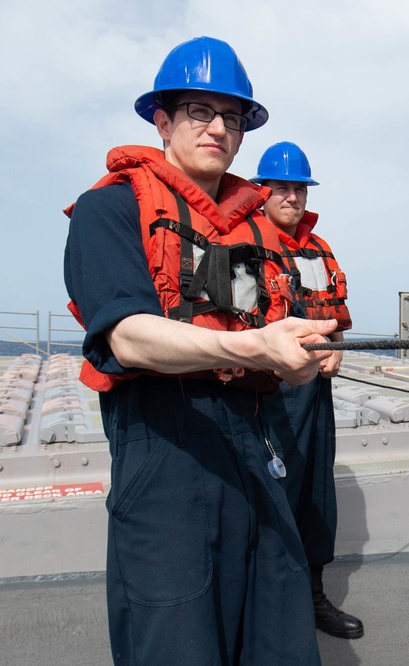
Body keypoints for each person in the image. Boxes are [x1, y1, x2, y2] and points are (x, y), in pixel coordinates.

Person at [62, 37, 331, 665]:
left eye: (232, 118)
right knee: (176, 637)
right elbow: (126, 335)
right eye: (199, 112)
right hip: (163, 446)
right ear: (162, 121)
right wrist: (252, 344)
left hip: (255, 436)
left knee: (276, 630)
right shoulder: (109, 210)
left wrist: (298, 362)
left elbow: (276, 340)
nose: (218, 129)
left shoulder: (257, 232)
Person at [252, 141, 364, 639]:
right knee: (272, 493)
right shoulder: (246, 243)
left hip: (316, 393)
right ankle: (271, 605)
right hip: (267, 393)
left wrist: (337, 347)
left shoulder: (320, 250)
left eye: (299, 189)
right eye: (282, 188)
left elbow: (335, 318)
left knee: (317, 492)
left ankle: (312, 595)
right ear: (262, 191)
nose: (292, 197)